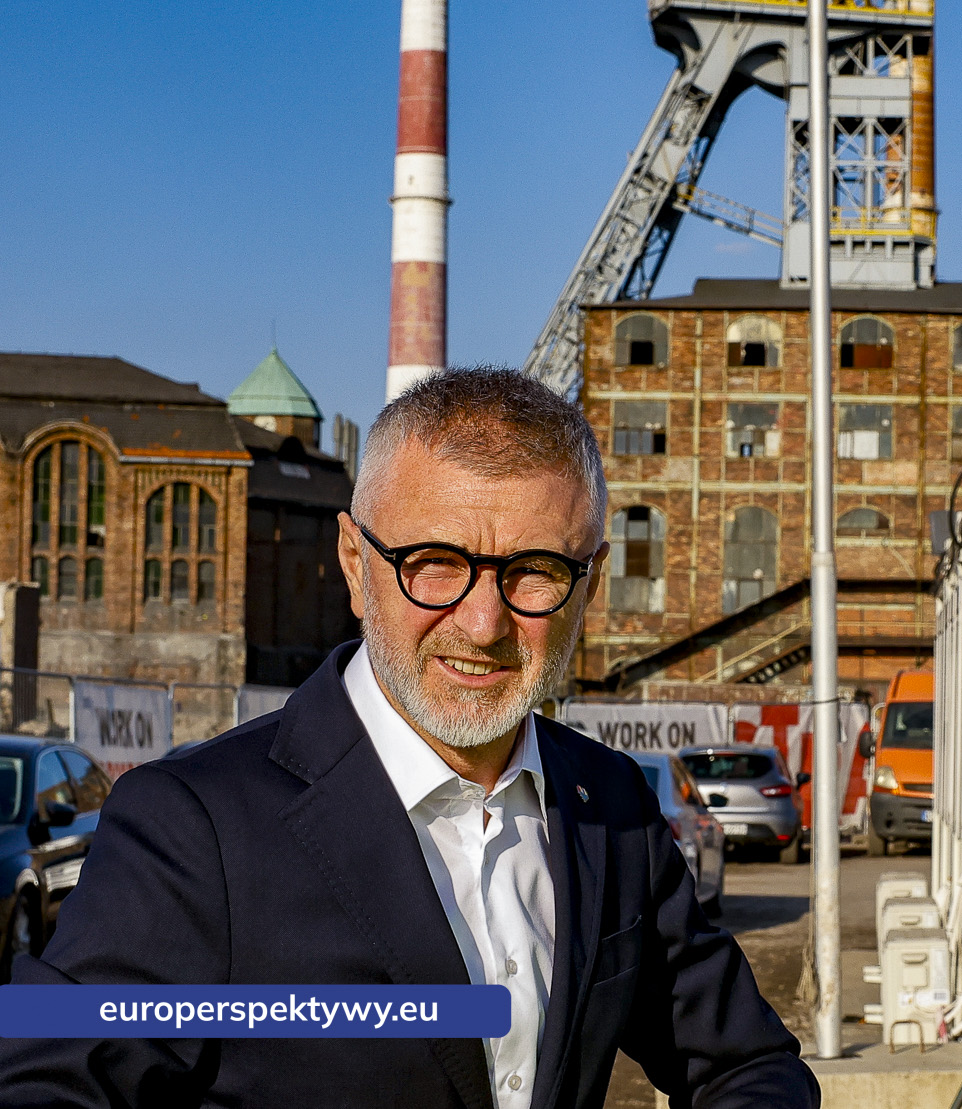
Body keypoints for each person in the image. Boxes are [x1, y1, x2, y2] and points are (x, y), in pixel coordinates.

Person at [0, 367, 817, 1109]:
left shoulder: (611, 807)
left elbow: (751, 1067)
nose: (484, 621)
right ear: (356, 563)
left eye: (533, 569)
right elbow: (46, 1083)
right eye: (434, 562)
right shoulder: (194, 827)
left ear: (589, 581)